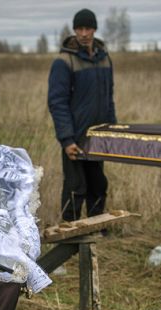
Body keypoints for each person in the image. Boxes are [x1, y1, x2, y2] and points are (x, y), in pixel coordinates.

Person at [47, 8, 117, 222]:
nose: (84, 33)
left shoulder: (105, 59)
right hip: (75, 138)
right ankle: (71, 236)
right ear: (75, 30)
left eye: (88, 28)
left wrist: (112, 131)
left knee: (98, 185)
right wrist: (66, 139)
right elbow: (57, 102)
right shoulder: (64, 61)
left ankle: (96, 228)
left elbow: (109, 98)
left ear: (94, 29)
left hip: (99, 136)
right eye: (80, 28)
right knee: (75, 188)